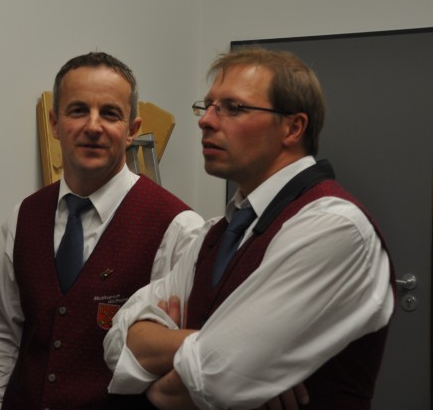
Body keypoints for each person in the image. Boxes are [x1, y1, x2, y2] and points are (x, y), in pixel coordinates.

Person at [103, 47, 395, 409]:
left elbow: (219, 377)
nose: (206, 120)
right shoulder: (216, 233)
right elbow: (117, 341)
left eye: (233, 107)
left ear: (293, 127)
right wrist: (205, 346)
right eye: (208, 105)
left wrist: (158, 381)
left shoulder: (335, 228)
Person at [0, 52, 205, 409]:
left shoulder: (178, 229)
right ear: (54, 123)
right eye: (78, 110)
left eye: (110, 114)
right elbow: (0, 332)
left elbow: (183, 362)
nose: (93, 126)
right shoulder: (23, 217)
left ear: (132, 130)